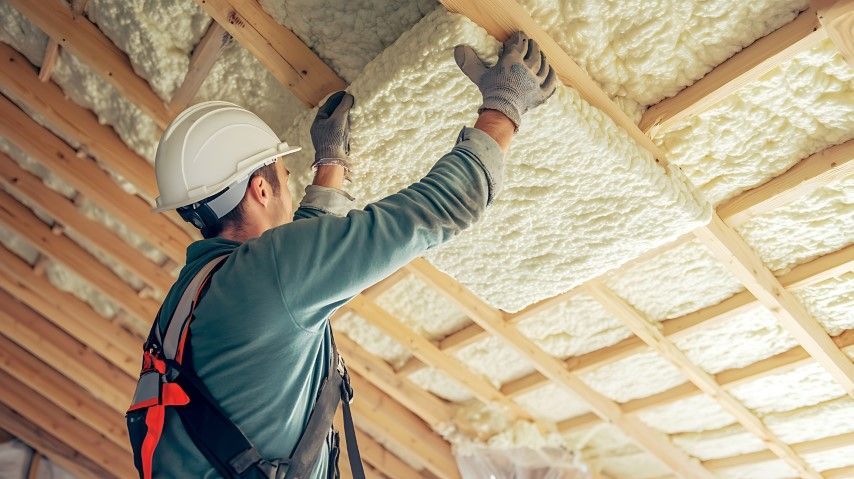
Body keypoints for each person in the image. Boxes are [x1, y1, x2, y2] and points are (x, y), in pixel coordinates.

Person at [127, 31, 556, 478]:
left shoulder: (192, 294)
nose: (287, 180)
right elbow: (439, 209)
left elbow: (296, 274)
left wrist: (331, 164)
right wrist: (505, 107)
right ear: (259, 188)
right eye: (281, 171)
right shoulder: (261, 277)